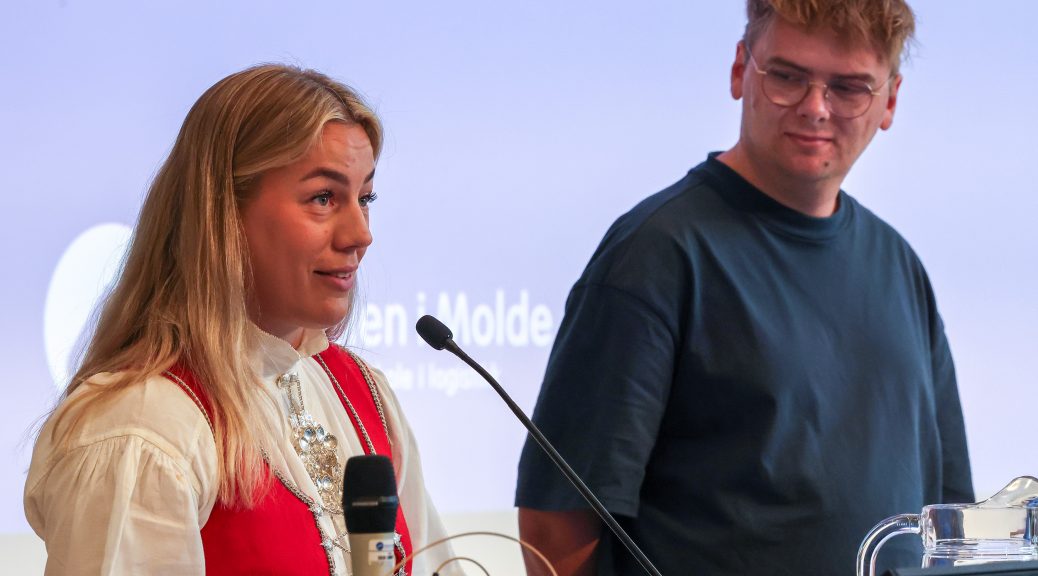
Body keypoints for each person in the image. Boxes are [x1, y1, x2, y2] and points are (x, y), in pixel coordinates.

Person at [515, 1, 974, 575]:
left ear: (890, 101)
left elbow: (950, 517)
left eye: (849, 87)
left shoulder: (899, 267)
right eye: (787, 76)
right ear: (740, 70)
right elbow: (556, 528)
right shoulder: (656, 255)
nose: (815, 108)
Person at [25, 64, 454, 575]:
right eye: (323, 198)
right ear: (222, 213)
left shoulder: (364, 393)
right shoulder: (142, 427)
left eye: (365, 199)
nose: (361, 234)